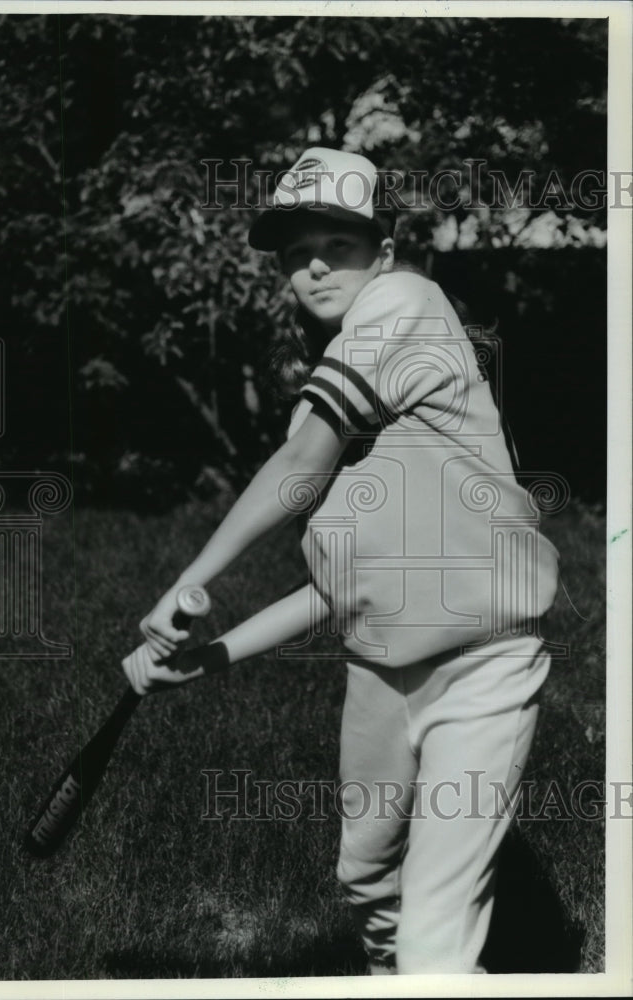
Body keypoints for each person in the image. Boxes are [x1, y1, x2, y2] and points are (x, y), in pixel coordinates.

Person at [124, 147, 560, 975]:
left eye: (340, 243)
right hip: (380, 672)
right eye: (295, 253)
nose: (315, 265)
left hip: (483, 666)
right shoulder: (335, 382)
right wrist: (211, 656)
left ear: (385, 251)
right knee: (368, 884)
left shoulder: (407, 302)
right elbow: (338, 586)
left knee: (435, 934)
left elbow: (297, 474)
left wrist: (192, 578)